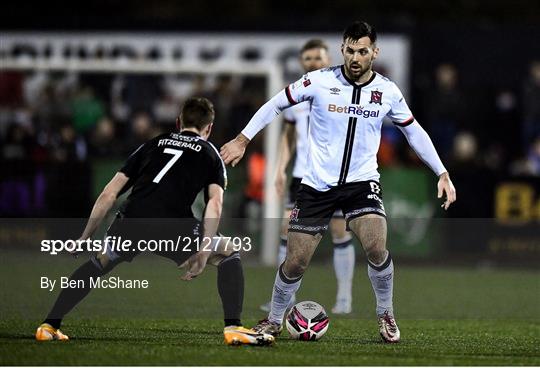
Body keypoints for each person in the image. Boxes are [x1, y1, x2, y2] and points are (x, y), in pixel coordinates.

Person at [221, 21, 456, 343]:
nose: (355, 57)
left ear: (375, 52)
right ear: (342, 50)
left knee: (376, 247)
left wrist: (441, 172)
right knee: (295, 262)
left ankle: (385, 313)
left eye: (362, 51)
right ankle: (275, 319)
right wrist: (242, 140)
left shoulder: (387, 91)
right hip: (316, 185)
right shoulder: (318, 81)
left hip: (362, 183)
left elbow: (413, 131)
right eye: (350, 50)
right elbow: (275, 103)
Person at [35, 97, 274, 346]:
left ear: (178, 121)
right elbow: (214, 203)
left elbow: (109, 193)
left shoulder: (152, 144)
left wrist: (85, 237)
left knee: (99, 263)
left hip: (131, 220)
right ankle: (233, 327)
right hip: (172, 226)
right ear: (209, 128)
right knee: (228, 252)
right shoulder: (209, 152)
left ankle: (49, 325)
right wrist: (204, 249)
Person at [259, 39, 356, 315]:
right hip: (302, 175)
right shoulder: (296, 94)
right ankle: (286, 298)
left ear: (328, 60)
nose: (313, 63)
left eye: (318, 58)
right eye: (308, 58)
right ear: (301, 62)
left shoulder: (342, 90)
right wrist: (280, 168)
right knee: (286, 231)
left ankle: (345, 298)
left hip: (336, 176)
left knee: (339, 231)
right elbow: (289, 134)